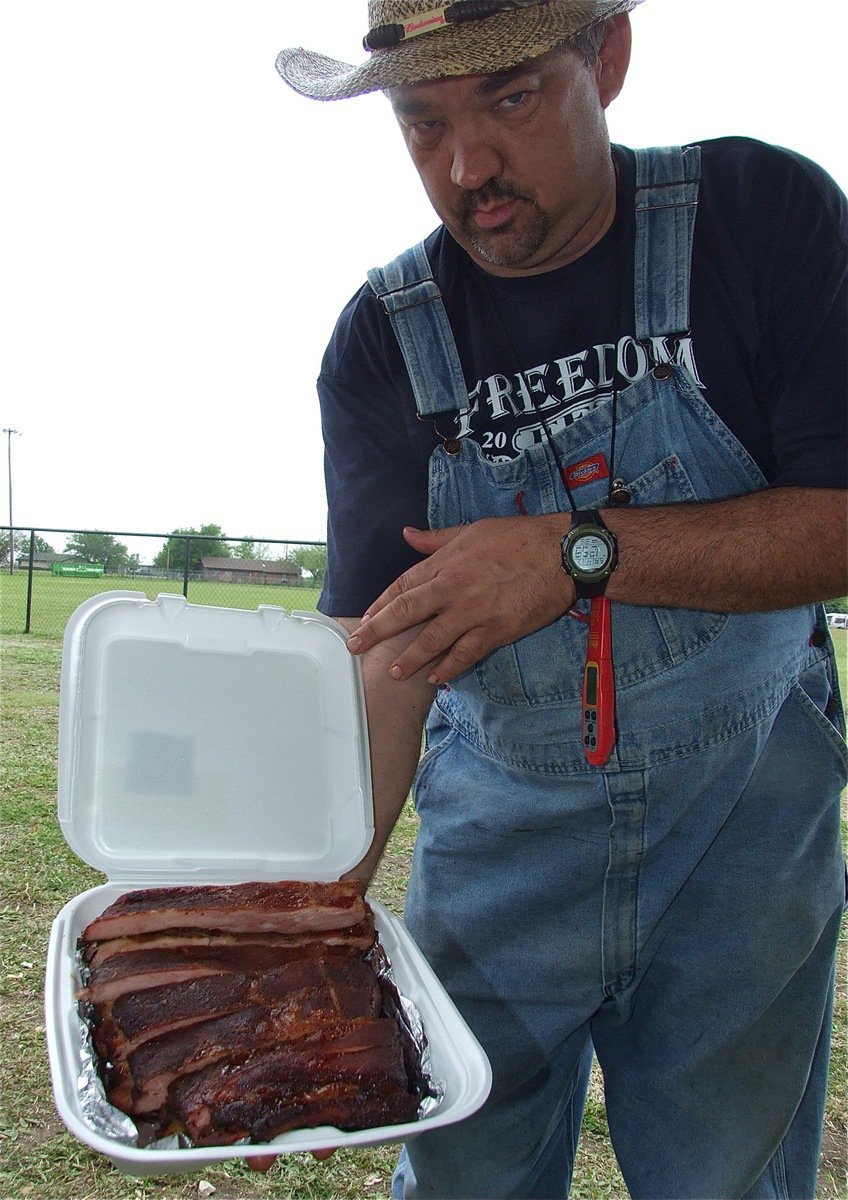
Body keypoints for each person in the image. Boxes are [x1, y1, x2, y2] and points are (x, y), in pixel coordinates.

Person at [274, 2, 848, 1196]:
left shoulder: (757, 216)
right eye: (422, 123)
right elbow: (382, 653)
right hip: (502, 855)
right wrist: (312, 924)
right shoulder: (384, 340)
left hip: (742, 839)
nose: (465, 166)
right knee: (464, 1174)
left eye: (509, 98)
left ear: (607, 58)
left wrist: (569, 552)